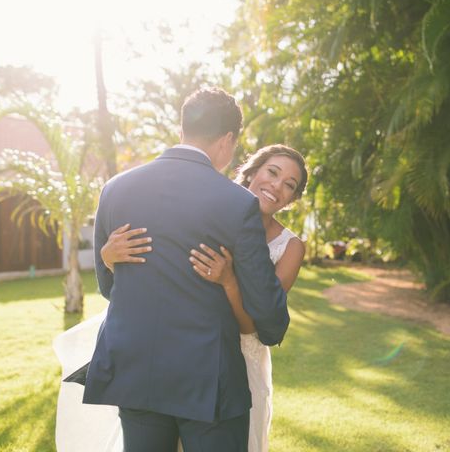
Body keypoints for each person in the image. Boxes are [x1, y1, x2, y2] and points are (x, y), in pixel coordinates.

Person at [55, 88, 290, 452]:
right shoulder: (238, 203)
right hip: (207, 381)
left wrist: (106, 255)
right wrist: (273, 325)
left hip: (135, 372)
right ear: (227, 140)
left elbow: (108, 286)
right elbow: (267, 313)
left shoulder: (115, 189)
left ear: (184, 127)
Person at [102, 144, 307, 451]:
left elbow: (257, 325)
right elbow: (160, 268)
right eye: (272, 172)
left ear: (293, 198)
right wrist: (107, 256)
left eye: (289, 185)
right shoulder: (212, 208)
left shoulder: (290, 247)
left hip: (238, 363)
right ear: (253, 170)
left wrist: (228, 281)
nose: (277, 186)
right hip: (177, 353)